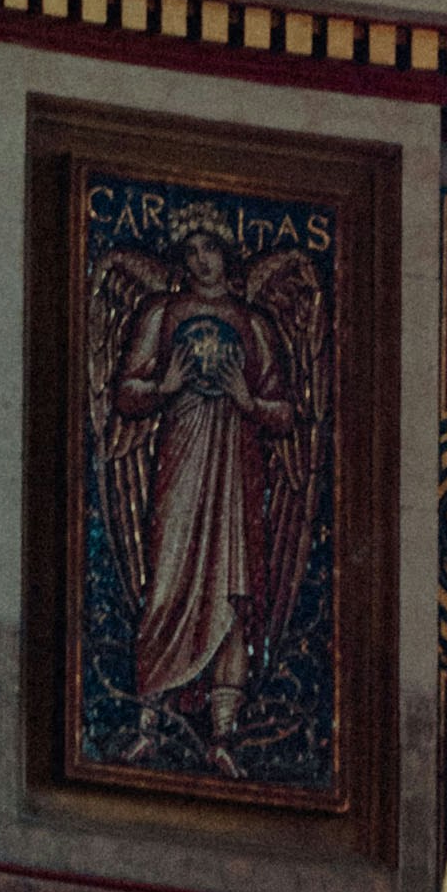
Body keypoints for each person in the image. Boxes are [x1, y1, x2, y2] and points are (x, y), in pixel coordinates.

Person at [97, 204, 322, 770]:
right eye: (192, 250)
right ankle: (149, 726)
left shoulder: (254, 324)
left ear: (227, 254)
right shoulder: (161, 313)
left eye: (211, 248)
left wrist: (248, 400)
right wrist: (164, 386)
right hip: (181, 457)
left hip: (236, 467)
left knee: (231, 592)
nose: (201, 260)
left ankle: (223, 737)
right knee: (167, 584)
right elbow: (126, 394)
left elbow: (284, 412)